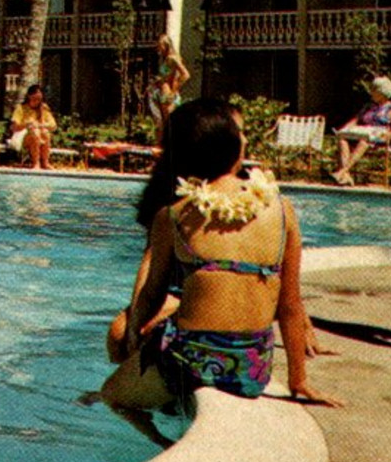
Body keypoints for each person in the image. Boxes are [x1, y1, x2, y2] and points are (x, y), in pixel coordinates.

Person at [97, 98, 339, 412]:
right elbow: (290, 306)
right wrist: (298, 381)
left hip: (192, 363)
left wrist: (133, 336)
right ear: (234, 149)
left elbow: (152, 295)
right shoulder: (282, 210)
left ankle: (160, 439)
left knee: (110, 396)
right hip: (252, 370)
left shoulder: (174, 215)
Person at [330, 76, 391, 186]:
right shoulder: (368, 106)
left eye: (374, 90)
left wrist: (389, 135)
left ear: (382, 92)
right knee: (342, 140)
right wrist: (344, 129)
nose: (371, 93)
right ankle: (345, 176)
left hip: (379, 138)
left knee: (364, 142)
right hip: (364, 133)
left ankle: (342, 171)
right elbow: (355, 120)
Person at [147, 34, 190, 130]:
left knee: (169, 124)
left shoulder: (172, 58)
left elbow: (185, 75)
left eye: (160, 46)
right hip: (163, 91)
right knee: (164, 123)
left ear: (166, 45)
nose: (159, 49)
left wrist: (173, 91)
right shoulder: (167, 59)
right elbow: (168, 75)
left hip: (168, 93)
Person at [9, 84, 57, 170]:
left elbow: (53, 126)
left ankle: (45, 162)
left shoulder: (43, 109)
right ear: (29, 96)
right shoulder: (21, 108)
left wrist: (40, 125)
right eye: (34, 98)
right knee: (35, 132)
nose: (36, 101)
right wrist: (26, 125)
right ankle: (36, 163)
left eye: (39, 99)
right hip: (23, 136)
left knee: (45, 133)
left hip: (39, 136)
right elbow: (14, 127)